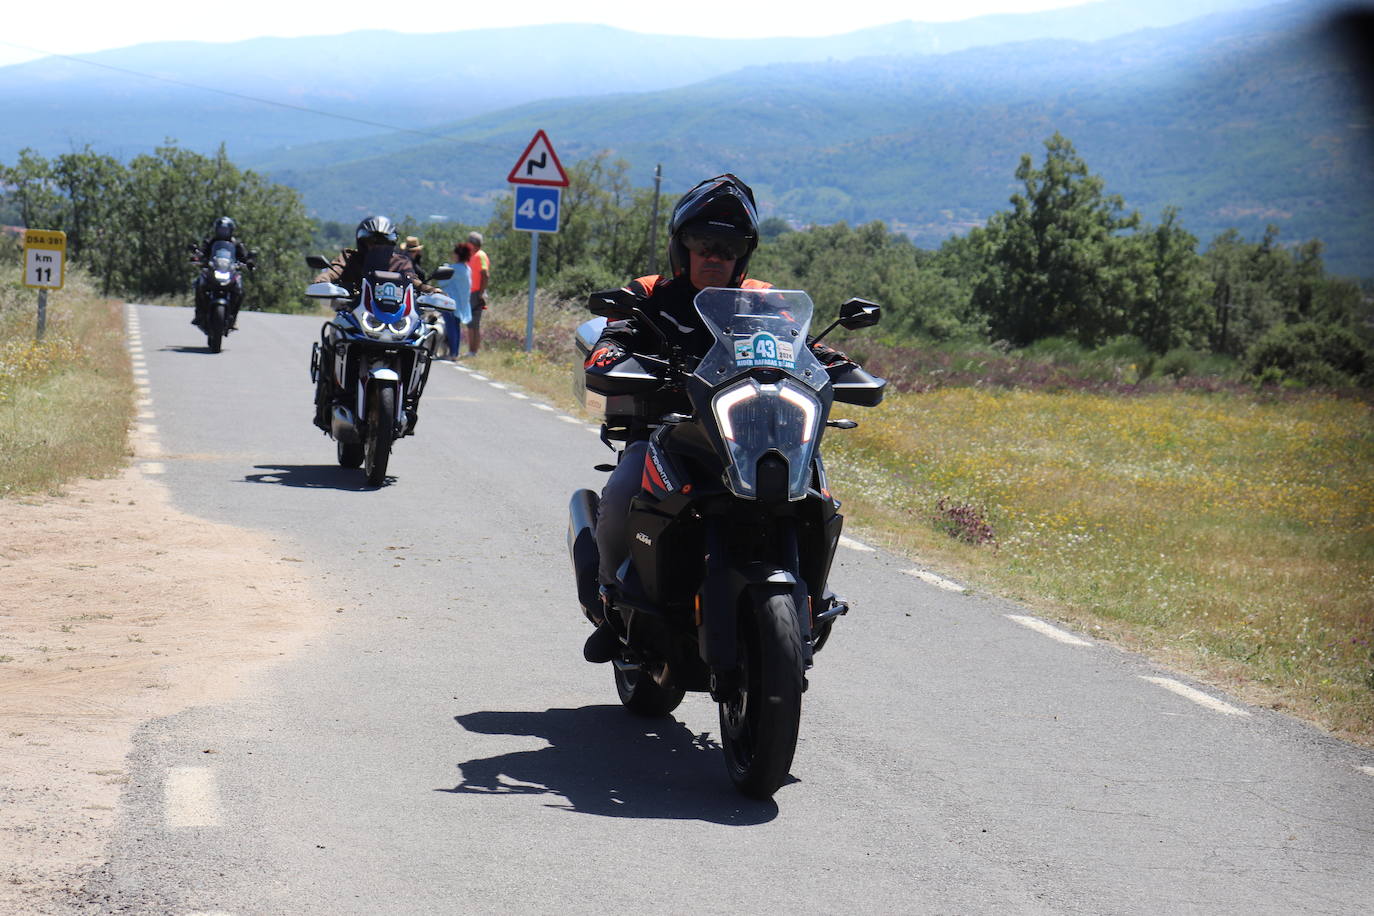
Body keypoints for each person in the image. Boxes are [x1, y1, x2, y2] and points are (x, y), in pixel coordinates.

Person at [580, 174, 859, 663]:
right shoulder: (649, 293)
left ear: (743, 254)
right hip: (671, 431)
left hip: (753, 435)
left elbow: (807, 348)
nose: (714, 254)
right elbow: (614, 337)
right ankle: (611, 602)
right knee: (624, 488)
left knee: (820, 495)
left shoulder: (765, 301)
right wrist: (610, 357)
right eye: (702, 241)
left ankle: (810, 598)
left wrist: (842, 367)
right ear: (680, 245)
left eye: (728, 245)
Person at [312, 216, 436, 430]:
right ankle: (328, 397)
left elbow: (412, 280)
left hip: (392, 319)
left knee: (421, 341)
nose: (376, 246)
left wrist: (432, 291)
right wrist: (323, 282)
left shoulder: (400, 262)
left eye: (382, 243)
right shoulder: (350, 258)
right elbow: (333, 271)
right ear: (362, 242)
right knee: (334, 337)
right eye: (371, 242)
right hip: (356, 315)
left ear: (391, 244)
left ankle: (408, 402)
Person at [190, 216, 252, 328]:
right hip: (212, 270)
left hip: (229, 271)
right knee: (199, 284)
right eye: (221, 230)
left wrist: (249, 262)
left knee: (240, 290)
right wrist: (197, 257)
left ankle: (233, 317)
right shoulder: (210, 242)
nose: (223, 232)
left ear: (231, 231)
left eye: (225, 230)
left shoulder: (236, 244)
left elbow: (244, 257)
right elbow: (202, 253)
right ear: (216, 230)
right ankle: (199, 314)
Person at [437, 243, 474, 359]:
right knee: (456, 328)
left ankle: (452, 353)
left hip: (450, 303)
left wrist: (444, 267)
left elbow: (442, 282)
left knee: (450, 327)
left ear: (458, 255)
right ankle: (455, 352)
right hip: (461, 304)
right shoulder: (467, 269)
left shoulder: (454, 269)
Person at [466, 231, 490, 357]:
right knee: (472, 324)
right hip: (471, 292)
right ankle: (472, 350)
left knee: (473, 324)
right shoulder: (473, 255)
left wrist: (481, 293)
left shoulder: (480, 256)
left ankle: (473, 351)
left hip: (475, 293)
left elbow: (485, 274)